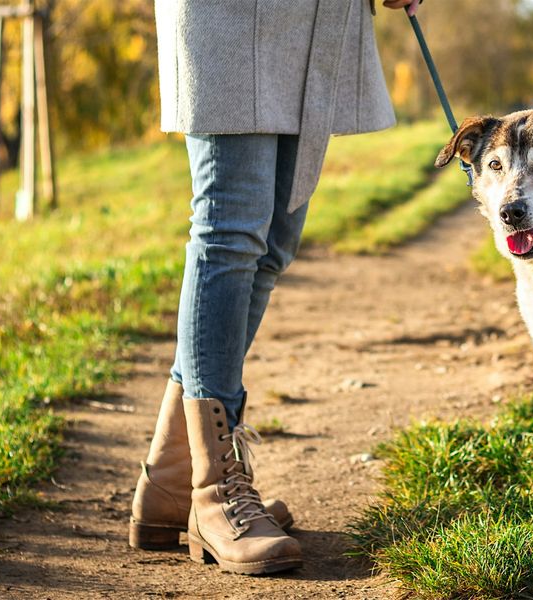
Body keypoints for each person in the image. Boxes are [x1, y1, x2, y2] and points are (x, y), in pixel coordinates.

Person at [128, 0, 421, 575]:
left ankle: (169, 480)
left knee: (273, 242)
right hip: (228, 16)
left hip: (311, 17)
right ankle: (214, 490)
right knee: (230, 230)